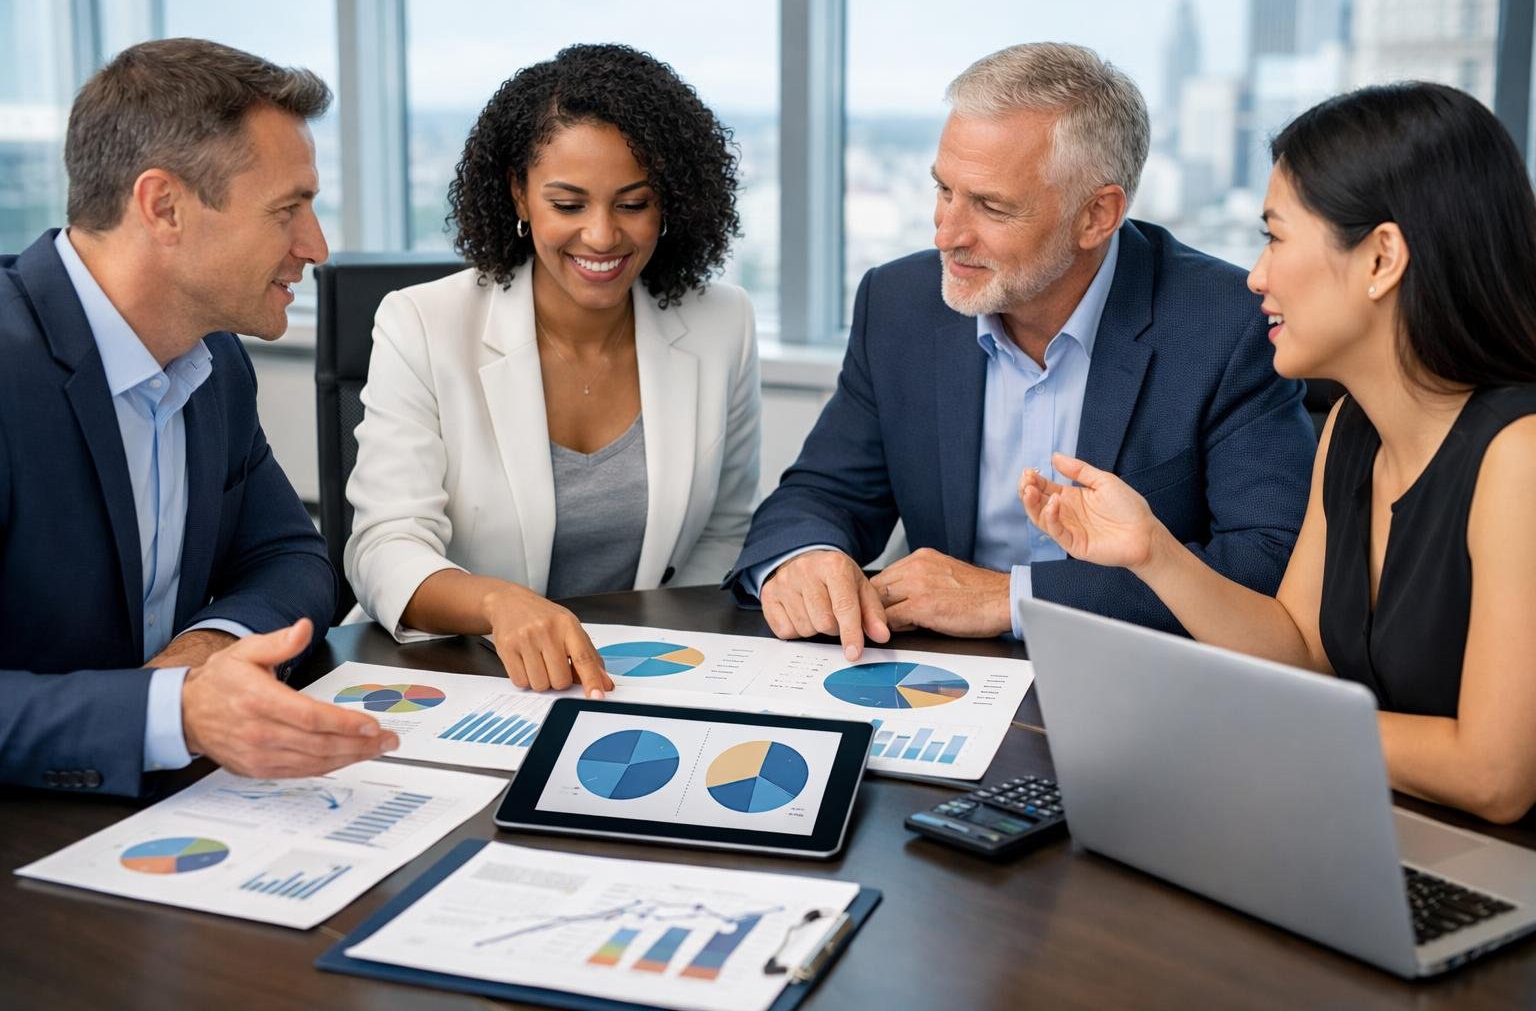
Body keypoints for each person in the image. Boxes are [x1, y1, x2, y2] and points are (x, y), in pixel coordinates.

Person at [1021, 82, 1536, 824]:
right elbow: (1298, 651)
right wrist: (1153, 553)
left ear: (1381, 257)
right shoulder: (1352, 430)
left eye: (1275, 237)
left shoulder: (1518, 455)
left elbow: (1493, 772)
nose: (1256, 276)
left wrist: (1254, 722)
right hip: (1378, 824)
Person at [726, 43, 1315, 658]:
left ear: (1097, 215)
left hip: (1142, 676)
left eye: (990, 205)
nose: (946, 234)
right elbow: (822, 493)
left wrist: (1012, 598)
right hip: (946, 673)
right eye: (944, 190)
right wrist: (806, 556)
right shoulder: (900, 302)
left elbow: (1266, 563)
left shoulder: (1225, 322)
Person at [0, 38, 399, 797]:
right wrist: (170, 712)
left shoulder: (213, 362)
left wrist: (210, 647)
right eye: (288, 211)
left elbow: (292, 557)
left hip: (169, 811)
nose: (314, 247)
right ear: (165, 207)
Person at [345, 44, 760, 696]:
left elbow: (726, 527)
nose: (601, 236)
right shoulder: (422, 323)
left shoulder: (723, 323)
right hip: (460, 670)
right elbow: (384, 549)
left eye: (633, 203)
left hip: (638, 677)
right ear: (519, 192)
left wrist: (668, 654)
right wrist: (496, 605)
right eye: (568, 205)